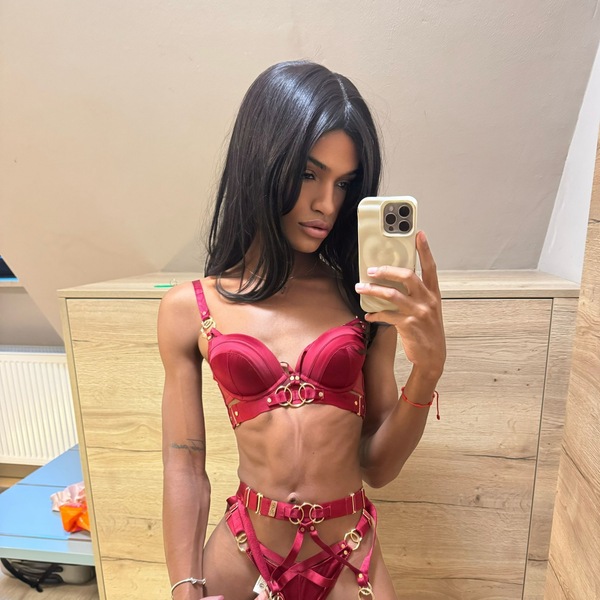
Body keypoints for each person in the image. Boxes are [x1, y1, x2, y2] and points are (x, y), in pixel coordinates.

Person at [158, 60, 446, 600]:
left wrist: (428, 371)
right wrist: (184, 588)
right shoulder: (187, 308)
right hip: (240, 558)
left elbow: (379, 466)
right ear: (261, 161)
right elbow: (184, 463)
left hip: (350, 559)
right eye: (310, 174)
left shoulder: (364, 300)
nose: (327, 204)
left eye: (345, 183)